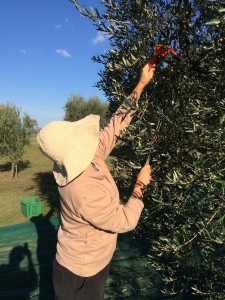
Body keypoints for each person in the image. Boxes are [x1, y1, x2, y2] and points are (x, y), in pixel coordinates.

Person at [37, 62, 155, 300]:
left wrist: (140, 85)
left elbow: (114, 128)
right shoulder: (81, 189)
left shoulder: (90, 156)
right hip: (80, 273)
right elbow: (124, 220)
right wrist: (140, 186)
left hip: (96, 262)